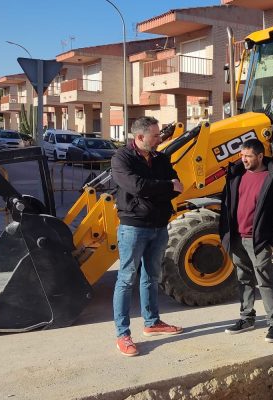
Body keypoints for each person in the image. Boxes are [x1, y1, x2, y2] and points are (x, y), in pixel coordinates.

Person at [111, 116, 184, 357]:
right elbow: (136, 186)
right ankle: (123, 335)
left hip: (159, 225)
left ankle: (152, 322)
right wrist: (164, 186)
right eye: (155, 135)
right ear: (139, 137)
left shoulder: (161, 158)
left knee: (152, 276)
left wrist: (158, 188)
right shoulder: (122, 158)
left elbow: (178, 185)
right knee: (126, 278)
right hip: (133, 227)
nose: (159, 138)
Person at [219, 138, 273, 342]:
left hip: (259, 240)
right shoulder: (236, 174)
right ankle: (247, 318)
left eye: (248, 156)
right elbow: (227, 203)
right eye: (242, 156)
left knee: (265, 282)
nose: (244, 160)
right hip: (237, 237)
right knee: (243, 279)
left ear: (260, 156)